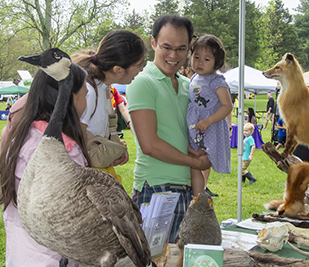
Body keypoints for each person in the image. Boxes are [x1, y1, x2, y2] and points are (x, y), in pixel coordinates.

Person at [0, 63, 89, 266]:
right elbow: (73, 217)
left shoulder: (20, 135)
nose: (86, 103)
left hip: (21, 254)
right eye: (85, 95)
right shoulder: (64, 152)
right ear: (69, 98)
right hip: (53, 257)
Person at [127, 14, 211, 243]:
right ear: (153, 43)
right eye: (166, 47)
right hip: (155, 190)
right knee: (153, 260)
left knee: (182, 258)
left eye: (181, 48)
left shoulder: (188, 85)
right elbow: (149, 145)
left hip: (187, 189)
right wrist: (195, 162)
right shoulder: (142, 82)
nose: (173, 56)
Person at [71, 30, 146, 180]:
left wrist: (110, 149)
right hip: (84, 178)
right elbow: (75, 143)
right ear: (118, 70)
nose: (141, 69)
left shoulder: (101, 87)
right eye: (139, 64)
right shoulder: (89, 92)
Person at [186, 34, 232, 197]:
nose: (199, 62)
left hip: (209, 128)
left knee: (202, 160)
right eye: (196, 57)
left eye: (206, 59)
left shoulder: (216, 82)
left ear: (216, 62)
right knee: (193, 161)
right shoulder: (194, 78)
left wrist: (209, 120)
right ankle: (197, 195)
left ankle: (201, 193)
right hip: (194, 126)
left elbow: (227, 106)